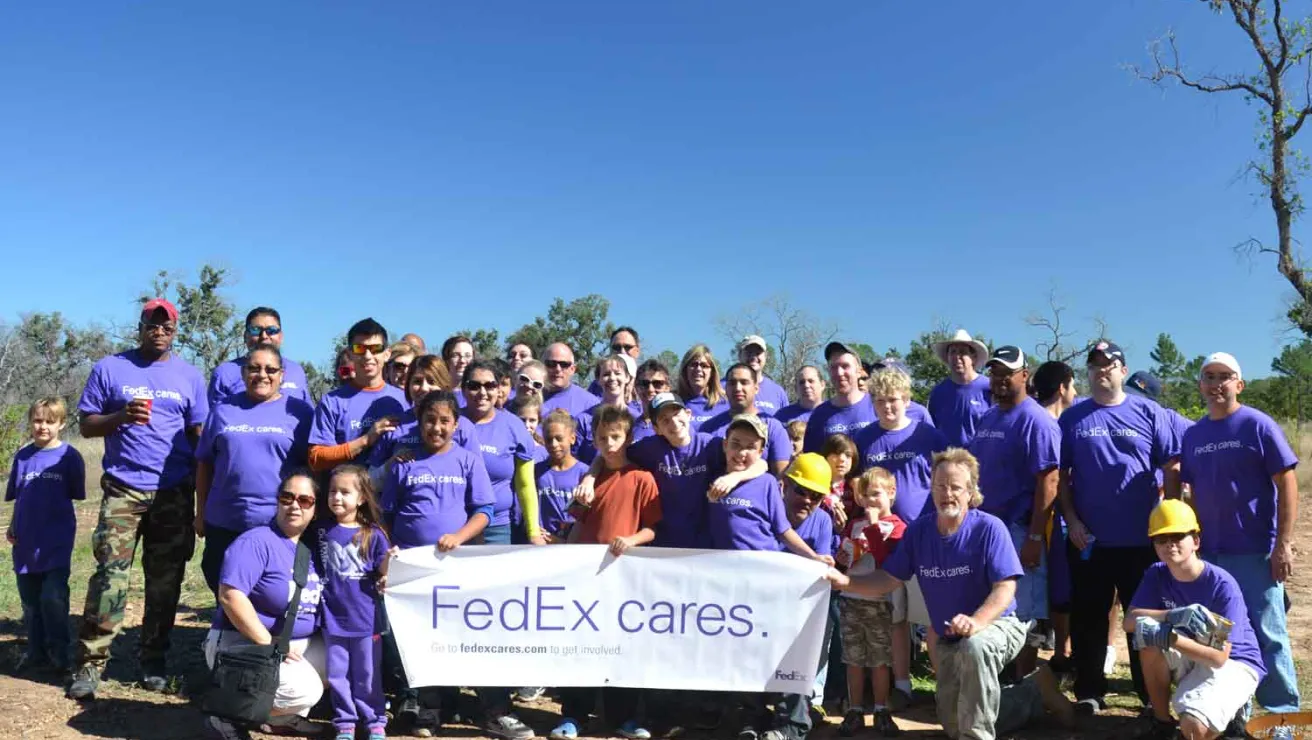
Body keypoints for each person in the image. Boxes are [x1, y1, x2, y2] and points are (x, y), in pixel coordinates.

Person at [829, 449, 1075, 740]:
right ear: (931, 489)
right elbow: (888, 578)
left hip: (1000, 623)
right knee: (954, 722)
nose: (947, 493)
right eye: (940, 485)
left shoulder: (989, 528)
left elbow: (1006, 588)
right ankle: (1034, 693)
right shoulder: (919, 532)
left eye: (956, 487)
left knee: (974, 650)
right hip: (950, 636)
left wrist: (977, 621)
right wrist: (844, 582)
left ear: (971, 492)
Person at [70, 298, 209, 699]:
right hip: (123, 489)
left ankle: (153, 661)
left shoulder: (190, 376)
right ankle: (91, 664)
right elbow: (86, 425)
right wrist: (121, 417)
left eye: (167, 325)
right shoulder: (110, 368)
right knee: (110, 579)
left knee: (165, 582)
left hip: (173, 491)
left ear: (175, 330)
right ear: (141, 325)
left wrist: (206, 495)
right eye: (153, 323)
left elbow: (199, 436)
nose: (160, 330)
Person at [1172, 352, 1300, 715]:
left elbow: (1287, 482)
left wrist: (1283, 545)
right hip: (1210, 553)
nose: (1216, 384)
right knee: (1220, 636)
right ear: (1200, 385)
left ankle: (1282, 715)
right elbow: (1189, 492)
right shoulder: (1194, 435)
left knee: (1267, 634)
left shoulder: (1257, 426)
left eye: (1225, 376)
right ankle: (1234, 712)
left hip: (1254, 551)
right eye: (1209, 377)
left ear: (1239, 384)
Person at [1059, 341, 1182, 715]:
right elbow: (1060, 478)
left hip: (1141, 542)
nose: (1102, 370)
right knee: (1089, 620)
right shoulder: (1072, 418)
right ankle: (1090, 692)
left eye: (1109, 364)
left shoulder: (1149, 412)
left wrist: (1170, 524)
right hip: (1089, 541)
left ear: (1123, 371)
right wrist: (1073, 521)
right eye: (1095, 365)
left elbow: (1172, 467)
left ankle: (1149, 694)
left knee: (1144, 621)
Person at [706, 414, 832, 740]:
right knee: (746, 652)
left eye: (750, 447)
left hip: (768, 581)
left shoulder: (765, 483)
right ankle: (751, 718)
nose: (741, 452)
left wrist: (814, 557)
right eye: (736, 445)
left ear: (761, 450)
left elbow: (783, 530)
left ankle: (791, 724)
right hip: (731, 586)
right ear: (725, 445)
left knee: (783, 650)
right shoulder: (712, 477)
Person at [381, 390, 495, 735]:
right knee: (414, 637)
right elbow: (386, 515)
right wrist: (389, 551)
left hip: (451, 564)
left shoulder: (468, 461)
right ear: (420, 422)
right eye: (430, 420)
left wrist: (460, 536)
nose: (437, 427)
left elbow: (484, 511)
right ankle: (419, 707)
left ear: (456, 424)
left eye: (445, 420)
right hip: (410, 567)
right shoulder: (404, 463)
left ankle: (450, 704)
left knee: (448, 634)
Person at [553, 406, 661, 740]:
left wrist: (630, 540)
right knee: (580, 646)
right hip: (586, 579)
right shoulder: (588, 480)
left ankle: (622, 718)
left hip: (625, 580)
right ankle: (572, 715)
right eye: (602, 438)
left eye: (615, 437)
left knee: (621, 648)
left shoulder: (643, 478)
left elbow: (652, 530)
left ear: (628, 437)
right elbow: (575, 523)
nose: (609, 444)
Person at [201, 470, 327, 740]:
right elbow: (230, 596)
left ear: (315, 510)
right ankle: (228, 713)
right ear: (277, 501)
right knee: (306, 689)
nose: (295, 505)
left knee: (342, 663)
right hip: (243, 643)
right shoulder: (256, 541)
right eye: (287, 497)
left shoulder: (307, 550)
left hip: (290, 642)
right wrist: (268, 643)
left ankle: (275, 718)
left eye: (305, 500)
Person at [1126, 500, 1265, 740]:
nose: (1170, 544)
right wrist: (1170, 615)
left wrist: (1171, 637)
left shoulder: (1221, 584)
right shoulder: (1156, 573)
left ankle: (1235, 710)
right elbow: (1128, 621)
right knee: (1146, 638)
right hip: (1192, 653)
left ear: (1196, 541)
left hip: (1234, 662)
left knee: (1194, 728)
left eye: (1178, 536)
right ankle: (1162, 723)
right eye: (1161, 538)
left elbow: (1219, 657)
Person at [967, 345, 1060, 676]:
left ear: (1025, 375)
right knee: (993, 606)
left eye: (1007, 373)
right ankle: (999, 680)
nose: (1000, 379)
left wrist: (1034, 536)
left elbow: (1049, 482)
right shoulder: (989, 416)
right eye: (994, 373)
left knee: (1025, 610)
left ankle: (1023, 685)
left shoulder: (1036, 421)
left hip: (1019, 530)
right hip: (985, 530)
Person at [196, 344, 314, 594]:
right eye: (254, 368)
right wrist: (200, 513)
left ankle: (266, 634)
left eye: (271, 369)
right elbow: (204, 462)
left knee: (273, 591)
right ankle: (227, 633)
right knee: (222, 582)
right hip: (225, 520)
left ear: (282, 375)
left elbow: (312, 467)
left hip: (278, 522)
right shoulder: (222, 410)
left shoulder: (300, 413)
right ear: (243, 373)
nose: (262, 375)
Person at [6, 397, 86, 673]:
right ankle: (35, 651)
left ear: (62, 424)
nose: (43, 427)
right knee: (30, 601)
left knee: (53, 596)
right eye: (38, 420)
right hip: (26, 541)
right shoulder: (23, 457)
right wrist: (12, 525)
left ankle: (61, 652)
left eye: (50, 421)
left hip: (56, 541)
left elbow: (75, 493)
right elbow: (19, 497)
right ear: (30, 422)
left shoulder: (69, 457)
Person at [316, 466, 390, 740]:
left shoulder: (374, 534)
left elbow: (385, 572)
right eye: (333, 491)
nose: (337, 497)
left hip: (366, 619)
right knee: (338, 675)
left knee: (368, 675)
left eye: (345, 492)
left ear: (361, 498)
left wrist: (390, 562)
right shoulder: (321, 529)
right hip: (333, 619)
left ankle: (374, 721)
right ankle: (345, 722)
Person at [835, 467, 906, 738]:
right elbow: (849, 556)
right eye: (865, 495)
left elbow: (885, 559)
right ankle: (854, 709)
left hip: (879, 601)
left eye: (876, 494)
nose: (871, 500)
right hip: (851, 598)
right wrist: (843, 557)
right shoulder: (856, 524)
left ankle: (880, 709)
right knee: (853, 658)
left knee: (879, 660)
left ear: (891, 493)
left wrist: (875, 526)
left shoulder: (897, 526)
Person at [461, 360, 544, 548]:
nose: (482, 392)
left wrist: (533, 532)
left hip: (497, 528)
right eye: (474, 386)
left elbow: (525, 484)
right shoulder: (451, 422)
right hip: (455, 526)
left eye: (489, 385)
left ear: (499, 389)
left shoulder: (514, 426)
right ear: (464, 390)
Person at [308, 319, 408, 471]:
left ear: (387, 354)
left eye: (376, 348)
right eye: (359, 348)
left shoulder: (405, 399)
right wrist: (366, 440)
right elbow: (316, 459)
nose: (368, 356)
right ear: (350, 354)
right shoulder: (332, 402)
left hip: (392, 493)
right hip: (345, 492)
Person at [782, 454, 840, 716]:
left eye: (815, 496)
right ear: (785, 484)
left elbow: (821, 570)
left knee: (825, 621)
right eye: (801, 491)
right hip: (769, 599)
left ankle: (813, 700)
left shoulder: (823, 521)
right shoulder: (769, 511)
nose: (807, 500)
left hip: (805, 600)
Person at [1030, 361, 1078, 674]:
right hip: (1048, 517)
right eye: (1072, 385)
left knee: (1060, 587)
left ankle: (1063, 650)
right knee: (1049, 586)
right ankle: (1054, 652)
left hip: (1059, 516)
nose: (1075, 392)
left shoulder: (1062, 420)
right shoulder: (1045, 422)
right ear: (1062, 387)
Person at [854, 369, 950, 523]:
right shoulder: (863, 438)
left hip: (923, 527)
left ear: (906, 401)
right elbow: (855, 480)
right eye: (880, 401)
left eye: (892, 400)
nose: (886, 406)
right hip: (879, 531)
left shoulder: (930, 436)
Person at [368, 355, 480, 485]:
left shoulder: (463, 426)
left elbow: (477, 478)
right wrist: (390, 465)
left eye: (432, 382)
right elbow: (371, 482)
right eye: (417, 381)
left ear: (444, 385)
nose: (424, 388)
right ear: (408, 385)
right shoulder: (394, 425)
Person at [701, 363, 794, 476]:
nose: (738, 388)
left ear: (756, 388)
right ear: (726, 388)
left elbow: (782, 478)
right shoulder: (709, 427)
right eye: (732, 383)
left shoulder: (773, 427)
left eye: (744, 382)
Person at [207, 307, 312, 405]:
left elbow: (308, 417)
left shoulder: (296, 371)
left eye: (272, 330)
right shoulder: (224, 373)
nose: (264, 336)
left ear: (281, 336)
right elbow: (214, 419)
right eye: (256, 330)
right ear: (245, 336)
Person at [802, 342, 875, 454]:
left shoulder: (877, 405)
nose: (839, 373)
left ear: (859, 371)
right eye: (834, 367)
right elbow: (813, 461)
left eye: (845, 366)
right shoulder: (819, 415)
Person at [927, 330, 992, 447]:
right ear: (947, 357)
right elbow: (932, 430)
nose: (957, 357)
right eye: (953, 352)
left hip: (982, 460)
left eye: (962, 352)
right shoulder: (938, 392)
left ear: (973, 357)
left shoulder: (989, 387)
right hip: (948, 460)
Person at [575, 354, 639, 462]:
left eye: (618, 373)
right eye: (606, 374)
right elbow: (574, 459)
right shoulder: (583, 420)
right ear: (598, 380)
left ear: (627, 378)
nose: (612, 378)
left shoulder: (637, 419)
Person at [536, 410, 587, 542]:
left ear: (572, 438)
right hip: (541, 543)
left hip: (572, 544)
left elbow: (585, 517)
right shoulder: (537, 471)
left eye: (559, 438)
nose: (554, 444)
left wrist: (562, 540)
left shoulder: (584, 473)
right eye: (549, 439)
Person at [541, 343, 602, 418]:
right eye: (551, 363)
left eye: (564, 364)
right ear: (542, 366)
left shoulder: (591, 405)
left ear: (573, 369)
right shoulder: (528, 395)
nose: (558, 369)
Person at [677, 344, 728, 431]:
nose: (698, 369)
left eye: (704, 365)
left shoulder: (726, 402)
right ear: (685, 369)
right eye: (694, 364)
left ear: (712, 372)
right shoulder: (674, 402)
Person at [736, 335, 790, 416]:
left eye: (758, 353)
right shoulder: (722, 388)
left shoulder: (778, 392)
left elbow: (785, 424)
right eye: (749, 352)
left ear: (766, 356)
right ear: (739, 355)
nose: (753, 357)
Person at [586, 326, 642, 396]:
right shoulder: (598, 385)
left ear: (637, 350)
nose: (622, 352)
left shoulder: (648, 383)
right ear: (610, 350)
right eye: (616, 348)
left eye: (627, 347)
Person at [631, 359, 672, 443]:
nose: (650, 389)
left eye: (657, 384)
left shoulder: (675, 424)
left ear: (667, 388)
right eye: (644, 384)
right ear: (636, 388)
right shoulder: (629, 428)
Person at [508, 393, 549, 463]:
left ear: (538, 421)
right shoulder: (507, 446)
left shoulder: (544, 451)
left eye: (532, 420)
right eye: (522, 420)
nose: (527, 425)